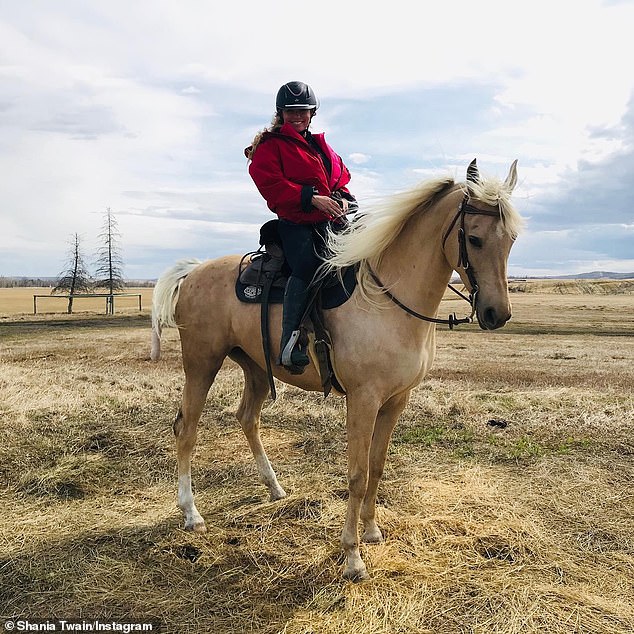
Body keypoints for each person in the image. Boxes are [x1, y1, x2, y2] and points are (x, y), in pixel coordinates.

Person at [245, 81, 357, 374]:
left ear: (312, 113)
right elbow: (270, 184)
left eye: (303, 111)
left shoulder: (321, 145)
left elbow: (340, 179)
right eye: (291, 111)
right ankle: (290, 342)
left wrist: (342, 200)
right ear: (281, 113)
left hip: (331, 221)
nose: (297, 116)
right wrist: (312, 199)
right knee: (307, 267)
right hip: (296, 223)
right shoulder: (270, 146)